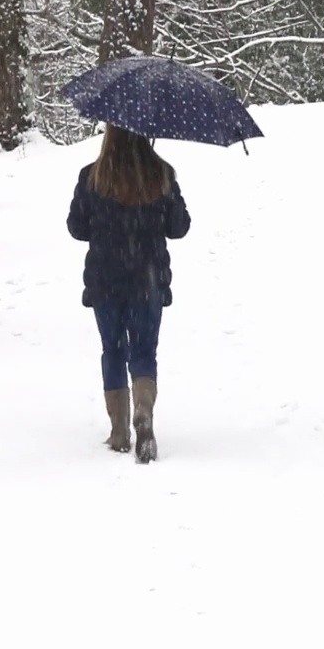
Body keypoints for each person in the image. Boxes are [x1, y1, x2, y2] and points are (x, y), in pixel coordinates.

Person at [67, 124, 191, 463]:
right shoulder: (160, 174)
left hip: (106, 279)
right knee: (143, 350)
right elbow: (179, 227)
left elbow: (76, 227)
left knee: (113, 349)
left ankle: (119, 429)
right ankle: (144, 414)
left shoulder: (92, 176)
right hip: (147, 280)